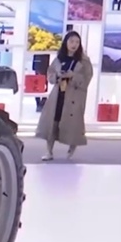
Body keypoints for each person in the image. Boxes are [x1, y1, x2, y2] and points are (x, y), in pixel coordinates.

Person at [37, 30, 93, 161]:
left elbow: (87, 78)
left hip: (74, 96)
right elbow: (50, 73)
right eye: (71, 41)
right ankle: (49, 151)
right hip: (58, 95)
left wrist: (73, 76)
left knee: (73, 123)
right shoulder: (59, 59)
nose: (74, 45)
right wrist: (57, 76)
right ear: (66, 43)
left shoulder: (84, 61)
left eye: (77, 42)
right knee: (53, 121)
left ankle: (71, 150)